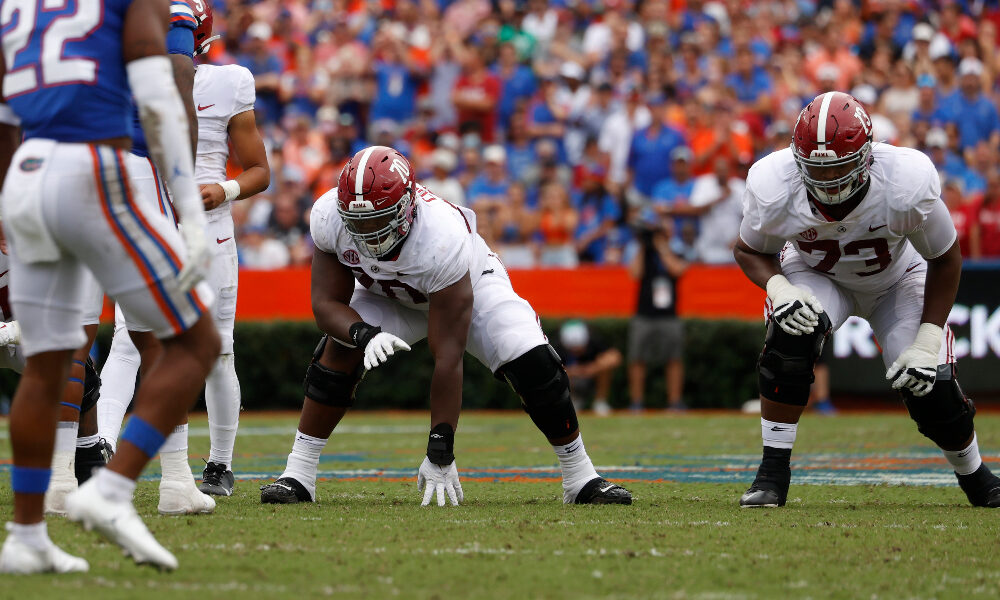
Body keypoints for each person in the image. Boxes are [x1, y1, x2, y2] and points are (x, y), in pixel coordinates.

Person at [259, 146, 631, 507]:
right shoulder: (328, 215)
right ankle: (299, 473)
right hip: (389, 294)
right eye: (359, 222)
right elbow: (326, 305)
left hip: (467, 283)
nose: (368, 233)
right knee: (338, 348)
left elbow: (448, 356)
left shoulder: (442, 236)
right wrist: (363, 333)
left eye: (377, 219)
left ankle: (580, 475)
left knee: (534, 362)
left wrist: (441, 445)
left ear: (407, 207)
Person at [0, 0, 220, 573]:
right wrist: (189, 210)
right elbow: (162, 89)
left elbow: (5, 116)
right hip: (98, 167)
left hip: (26, 175)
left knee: (49, 358)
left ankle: (28, 533)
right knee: (193, 340)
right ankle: (115, 489)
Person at [733, 91, 1000, 509]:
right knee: (790, 333)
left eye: (839, 168)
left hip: (897, 279)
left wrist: (929, 340)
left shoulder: (905, 180)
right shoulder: (774, 182)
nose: (828, 182)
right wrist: (780, 288)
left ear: (867, 156)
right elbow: (749, 249)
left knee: (930, 384)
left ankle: (975, 475)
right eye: (817, 171)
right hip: (817, 275)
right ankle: (772, 472)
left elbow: (945, 259)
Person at [97, 0, 270, 504]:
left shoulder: (227, 82)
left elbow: (259, 169)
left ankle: (220, 463)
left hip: (208, 227)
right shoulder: (130, 75)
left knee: (215, 352)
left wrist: (226, 189)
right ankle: (103, 444)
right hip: (151, 217)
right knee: (130, 341)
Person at [626, 215, 690, 412]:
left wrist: (661, 246)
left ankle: (675, 401)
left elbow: (677, 270)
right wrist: (644, 246)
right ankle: (636, 402)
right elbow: (634, 273)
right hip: (644, 313)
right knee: (637, 358)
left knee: (673, 358)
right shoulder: (642, 251)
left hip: (669, 314)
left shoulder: (677, 249)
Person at [551, 320, 622, 417]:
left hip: (592, 377)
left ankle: (600, 402)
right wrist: (571, 371)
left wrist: (592, 368)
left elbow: (614, 357)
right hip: (570, 380)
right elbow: (549, 368)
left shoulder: (594, 341)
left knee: (605, 368)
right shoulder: (556, 346)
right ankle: (571, 403)